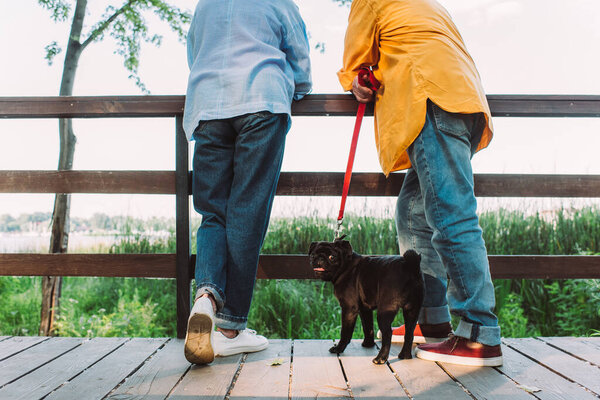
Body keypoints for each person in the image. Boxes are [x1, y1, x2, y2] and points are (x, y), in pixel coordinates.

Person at [337, 0, 502, 366]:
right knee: (412, 213)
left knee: (451, 215)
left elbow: (356, 63)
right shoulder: (427, 4)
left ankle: (479, 333)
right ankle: (431, 318)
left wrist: (355, 81)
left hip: (430, 98)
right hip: (462, 99)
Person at [182, 0, 312, 364]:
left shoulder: (205, 4)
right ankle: (230, 328)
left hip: (208, 106)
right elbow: (300, 57)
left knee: (213, 214)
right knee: (246, 213)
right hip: (261, 98)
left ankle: (206, 298)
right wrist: (298, 88)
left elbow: (196, 54)